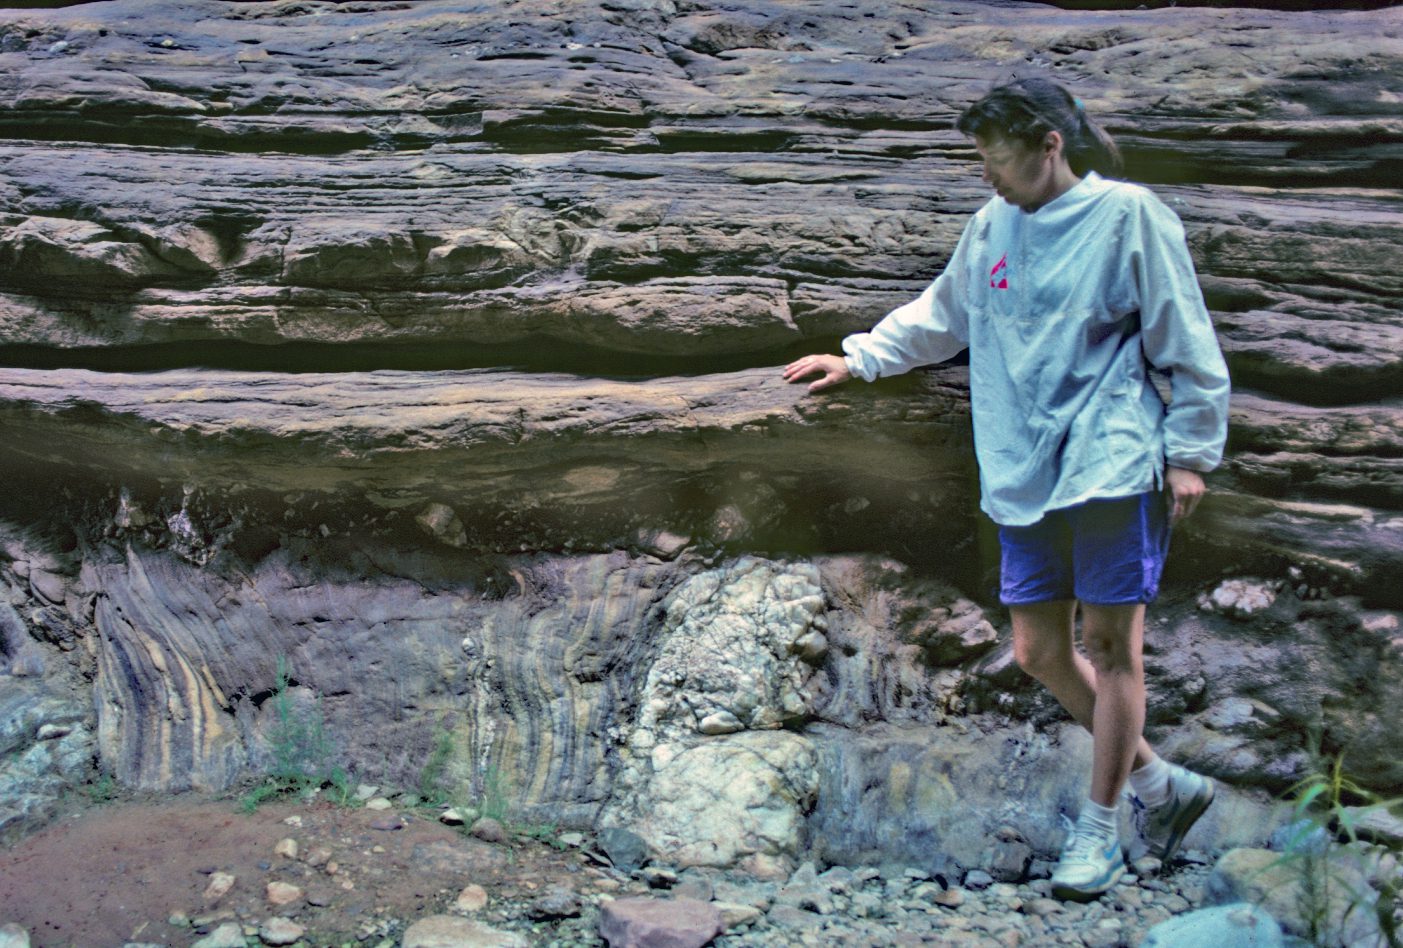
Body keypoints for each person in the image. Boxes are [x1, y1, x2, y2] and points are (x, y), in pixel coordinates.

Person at [783, 78, 1230, 902]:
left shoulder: (1127, 217)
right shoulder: (990, 227)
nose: (983, 175)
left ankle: (1098, 832)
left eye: (992, 158)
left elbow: (1184, 334)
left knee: (1110, 649)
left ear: (1047, 145)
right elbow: (941, 314)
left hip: (1109, 458)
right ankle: (1164, 786)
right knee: (1036, 651)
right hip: (1022, 467)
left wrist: (1190, 451)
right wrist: (861, 358)